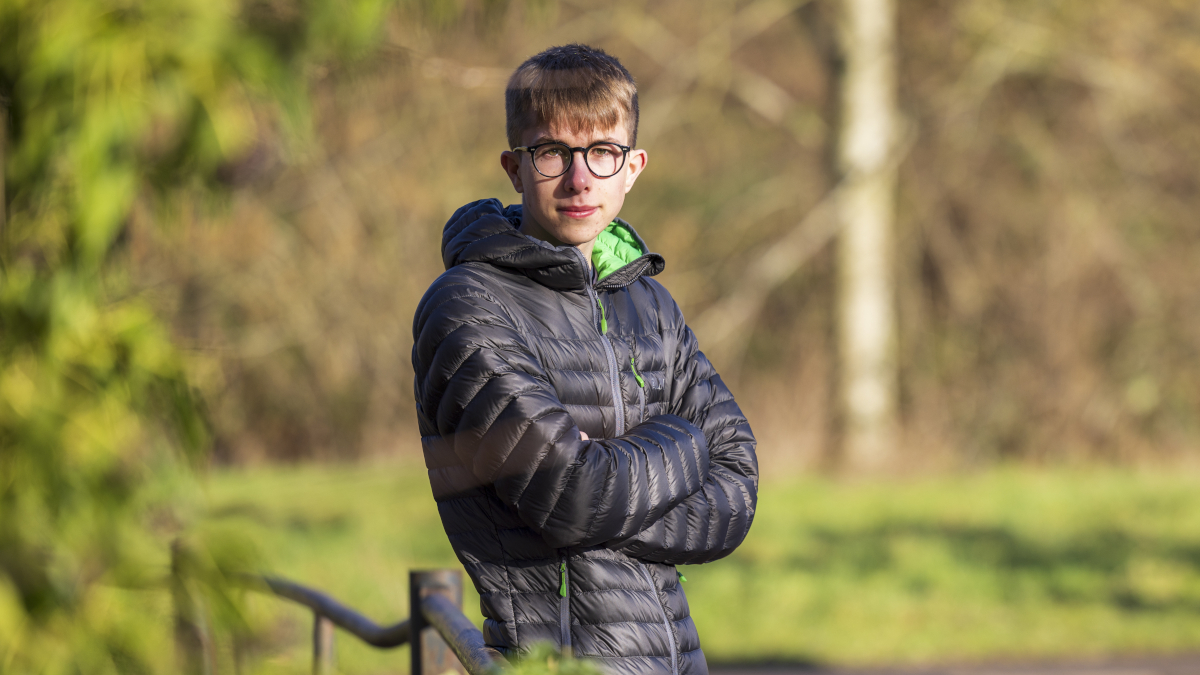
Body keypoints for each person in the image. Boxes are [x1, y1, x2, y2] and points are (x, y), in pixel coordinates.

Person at [411, 43, 758, 675]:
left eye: (603, 152)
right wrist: (685, 443)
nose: (580, 179)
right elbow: (573, 497)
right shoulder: (467, 306)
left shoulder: (650, 304)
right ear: (515, 168)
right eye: (553, 154)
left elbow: (738, 488)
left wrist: (600, 495)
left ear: (633, 167)